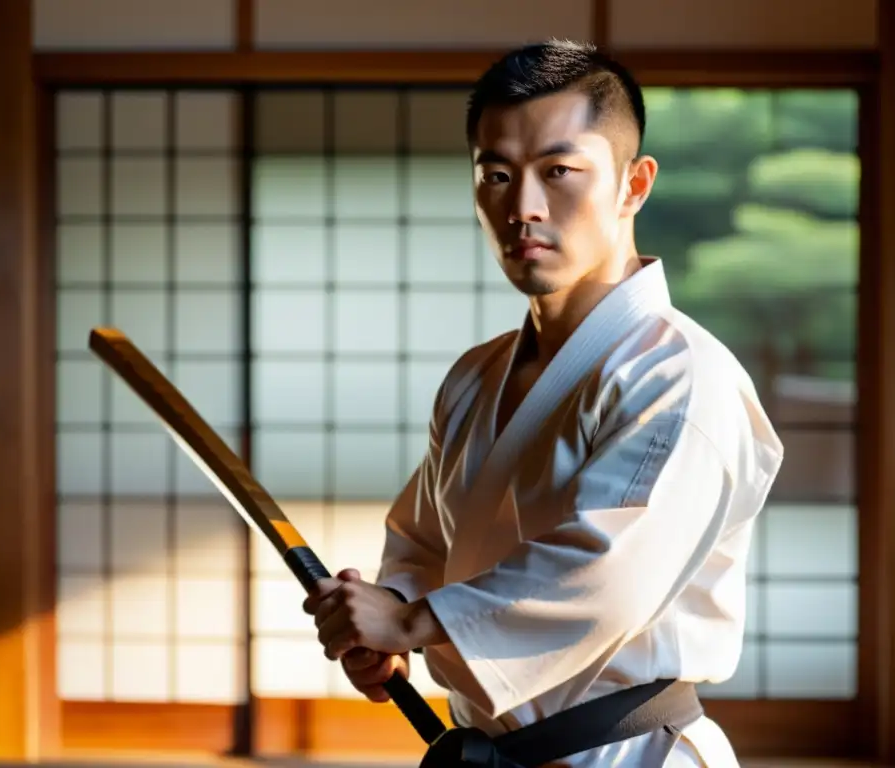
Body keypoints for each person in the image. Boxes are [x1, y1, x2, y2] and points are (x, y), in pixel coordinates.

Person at [302, 39, 784, 767]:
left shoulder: (680, 375)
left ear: (633, 185)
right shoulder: (477, 376)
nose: (522, 208)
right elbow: (427, 540)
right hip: (492, 745)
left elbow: (606, 580)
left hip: (625, 753)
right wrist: (387, 620)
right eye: (495, 175)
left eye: (558, 172)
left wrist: (415, 622)